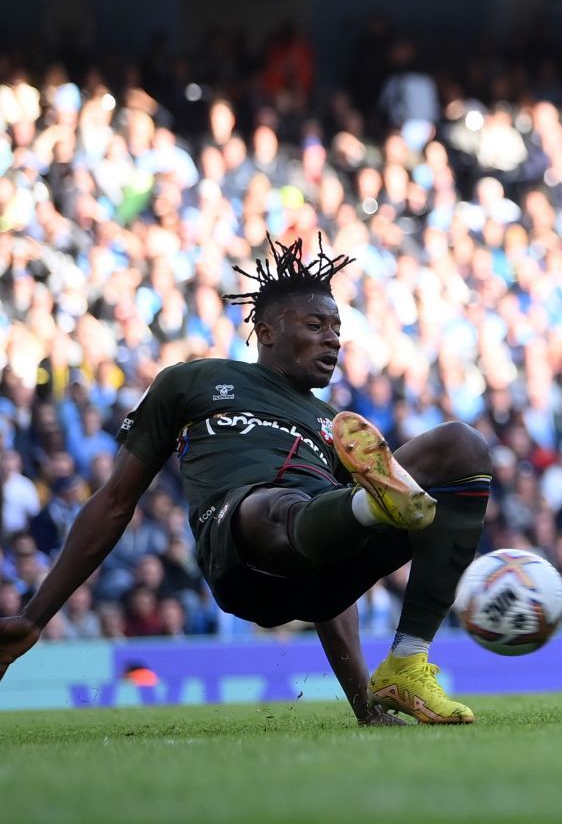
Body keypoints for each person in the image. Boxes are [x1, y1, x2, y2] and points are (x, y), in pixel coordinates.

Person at [0, 240, 494, 724]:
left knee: (462, 444)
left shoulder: (335, 423)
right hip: (242, 556)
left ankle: (406, 661)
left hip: (319, 559)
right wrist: (35, 616)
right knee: (281, 506)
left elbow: (332, 581)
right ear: (267, 331)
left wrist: (365, 707)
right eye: (316, 324)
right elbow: (113, 502)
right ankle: (374, 505)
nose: (333, 339)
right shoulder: (190, 382)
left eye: (337, 328)